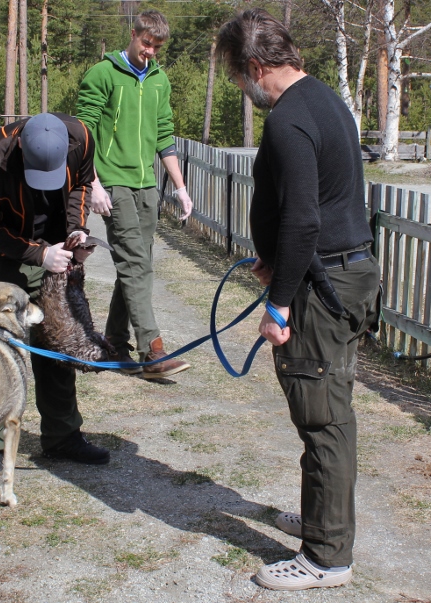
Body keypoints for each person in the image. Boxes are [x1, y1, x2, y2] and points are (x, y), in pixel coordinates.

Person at [216, 9, 381, 591]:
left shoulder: (288, 121)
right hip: (338, 271)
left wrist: (279, 303)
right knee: (324, 411)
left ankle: (326, 558)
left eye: (240, 77)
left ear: (257, 67)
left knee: (325, 420)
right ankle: (319, 519)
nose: (244, 88)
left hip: (326, 285)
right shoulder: (324, 98)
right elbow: (320, 205)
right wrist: (278, 264)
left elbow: (305, 220)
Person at [0, 112, 110, 465]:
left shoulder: (81, 139)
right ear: (21, 152)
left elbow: (82, 184)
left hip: (54, 246)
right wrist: (38, 254)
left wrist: (76, 231)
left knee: (55, 340)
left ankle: (62, 436)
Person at [76, 10, 193, 380]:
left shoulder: (160, 81)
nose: (151, 52)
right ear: (133, 34)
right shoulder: (103, 74)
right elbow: (83, 134)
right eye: (146, 43)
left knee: (135, 265)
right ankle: (152, 351)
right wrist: (93, 184)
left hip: (147, 188)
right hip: (113, 184)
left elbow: (164, 135)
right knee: (136, 264)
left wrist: (181, 187)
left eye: (157, 47)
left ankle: (113, 338)